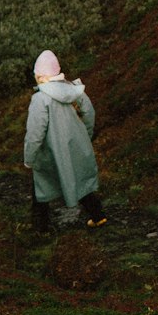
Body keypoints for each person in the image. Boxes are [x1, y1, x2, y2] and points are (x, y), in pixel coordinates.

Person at [24, 49, 107, 231]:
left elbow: (35, 133)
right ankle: (98, 216)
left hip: (51, 152)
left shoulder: (40, 99)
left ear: (40, 76)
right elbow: (89, 114)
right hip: (76, 146)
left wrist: (29, 158)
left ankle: (41, 229)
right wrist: (85, 136)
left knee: (40, 187)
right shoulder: (76, 90)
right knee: (81, 183)